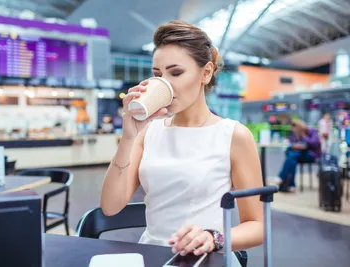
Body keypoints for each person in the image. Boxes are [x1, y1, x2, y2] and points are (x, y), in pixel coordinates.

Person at [100, 21, 263, 265]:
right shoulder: (148, 132)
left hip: (207, 259)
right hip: (153, 256)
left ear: (205, 73)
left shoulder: (233, 135)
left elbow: (257, 226)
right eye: (157, 75)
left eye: (175, 73)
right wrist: (129, 138)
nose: (164, 83)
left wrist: (214, 238)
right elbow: (110, 207)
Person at [278, 119, 321, 192]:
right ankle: (291, 185)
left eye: (295, 128)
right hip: (299, 154)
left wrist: (303, 136)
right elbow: (292, 142)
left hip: (312, 154)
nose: (294, 130)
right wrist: (294, 145)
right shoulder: (295, 133)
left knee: (292, 156)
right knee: (292, 159)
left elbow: (314, 143)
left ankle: (282, 178)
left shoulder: (311, 131)